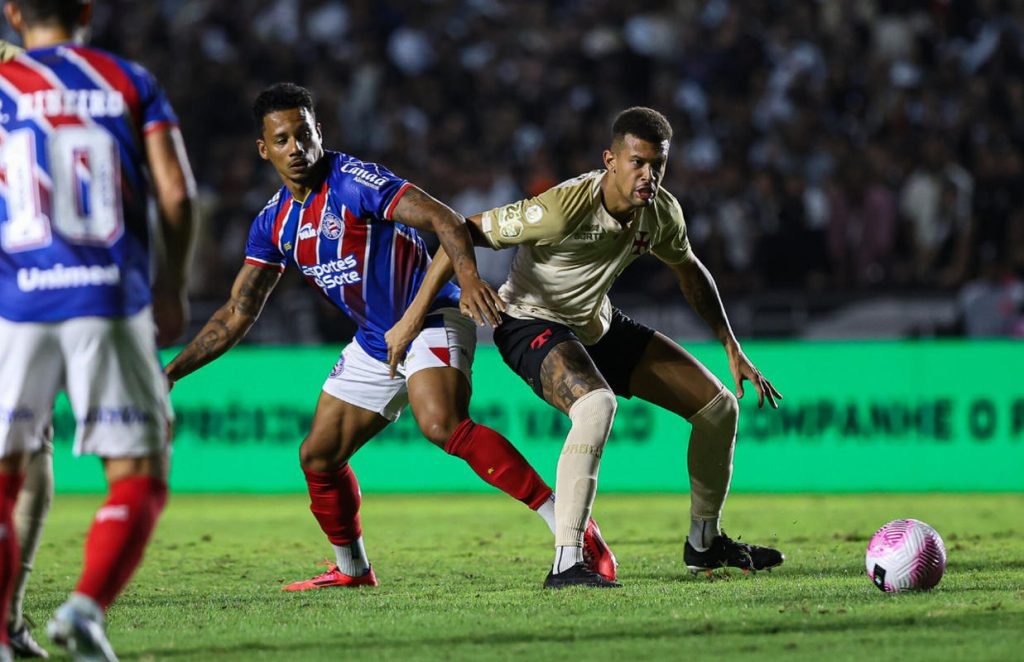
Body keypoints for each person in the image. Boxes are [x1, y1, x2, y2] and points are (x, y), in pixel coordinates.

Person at [164, 83, 617, 591]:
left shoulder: (354, 181)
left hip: (431, 317)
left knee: (442, 424)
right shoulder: (275, 223)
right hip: (376, 340)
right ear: (263, 148)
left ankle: (573, 527)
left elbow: (445, 219)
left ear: (320, 133)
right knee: (318, 456)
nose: (297, 149)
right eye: (284, 139)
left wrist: (467, 279)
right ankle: (352, 569)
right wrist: (171, 373)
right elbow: (237, 312)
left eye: (305, 135)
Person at [389, 107, 785, 589]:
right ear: (610, 160)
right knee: (596, 406)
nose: (648, 176)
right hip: (528, 321)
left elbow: (689, 269)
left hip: (596, 324)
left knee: (719, 408)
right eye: (637, 162)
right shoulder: (563, 208)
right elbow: (463, 229)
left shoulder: (660, 213)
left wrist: (731, 345)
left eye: (657, 165)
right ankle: (567, 561)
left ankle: (704, 542)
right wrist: (427, 308)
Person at [0, 0, 197, 659]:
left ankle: (2, 631)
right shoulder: (126, 80)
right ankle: (84, 609)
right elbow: (176, 194)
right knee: (139, 467)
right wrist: (170, 285)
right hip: (108, 297)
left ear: (11, 14)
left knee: (7, 472)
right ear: (86, 10)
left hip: (17, 300)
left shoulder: (5, 86)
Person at [0, 32, 56, 662]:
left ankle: (9, 618)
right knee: (27, 444)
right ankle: (8, 620)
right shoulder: (43, 91)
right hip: (25, 287)